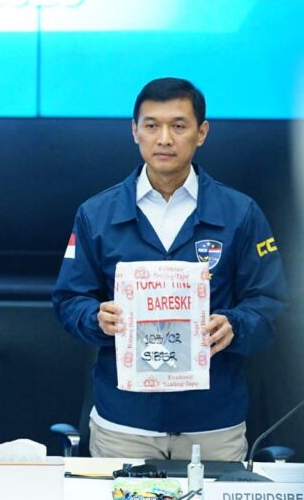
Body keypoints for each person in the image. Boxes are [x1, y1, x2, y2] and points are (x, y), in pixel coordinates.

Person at [53, 77, 288, 461]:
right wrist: (96, 318)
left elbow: (270, 301)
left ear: (201, 132)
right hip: (124, 425)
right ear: (135, 131)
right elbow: (68, 299)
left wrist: (234, 324)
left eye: (178, 126)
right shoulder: (96, 214)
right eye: (152, 125)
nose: (164, 138)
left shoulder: (240, 213)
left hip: (213, 425)